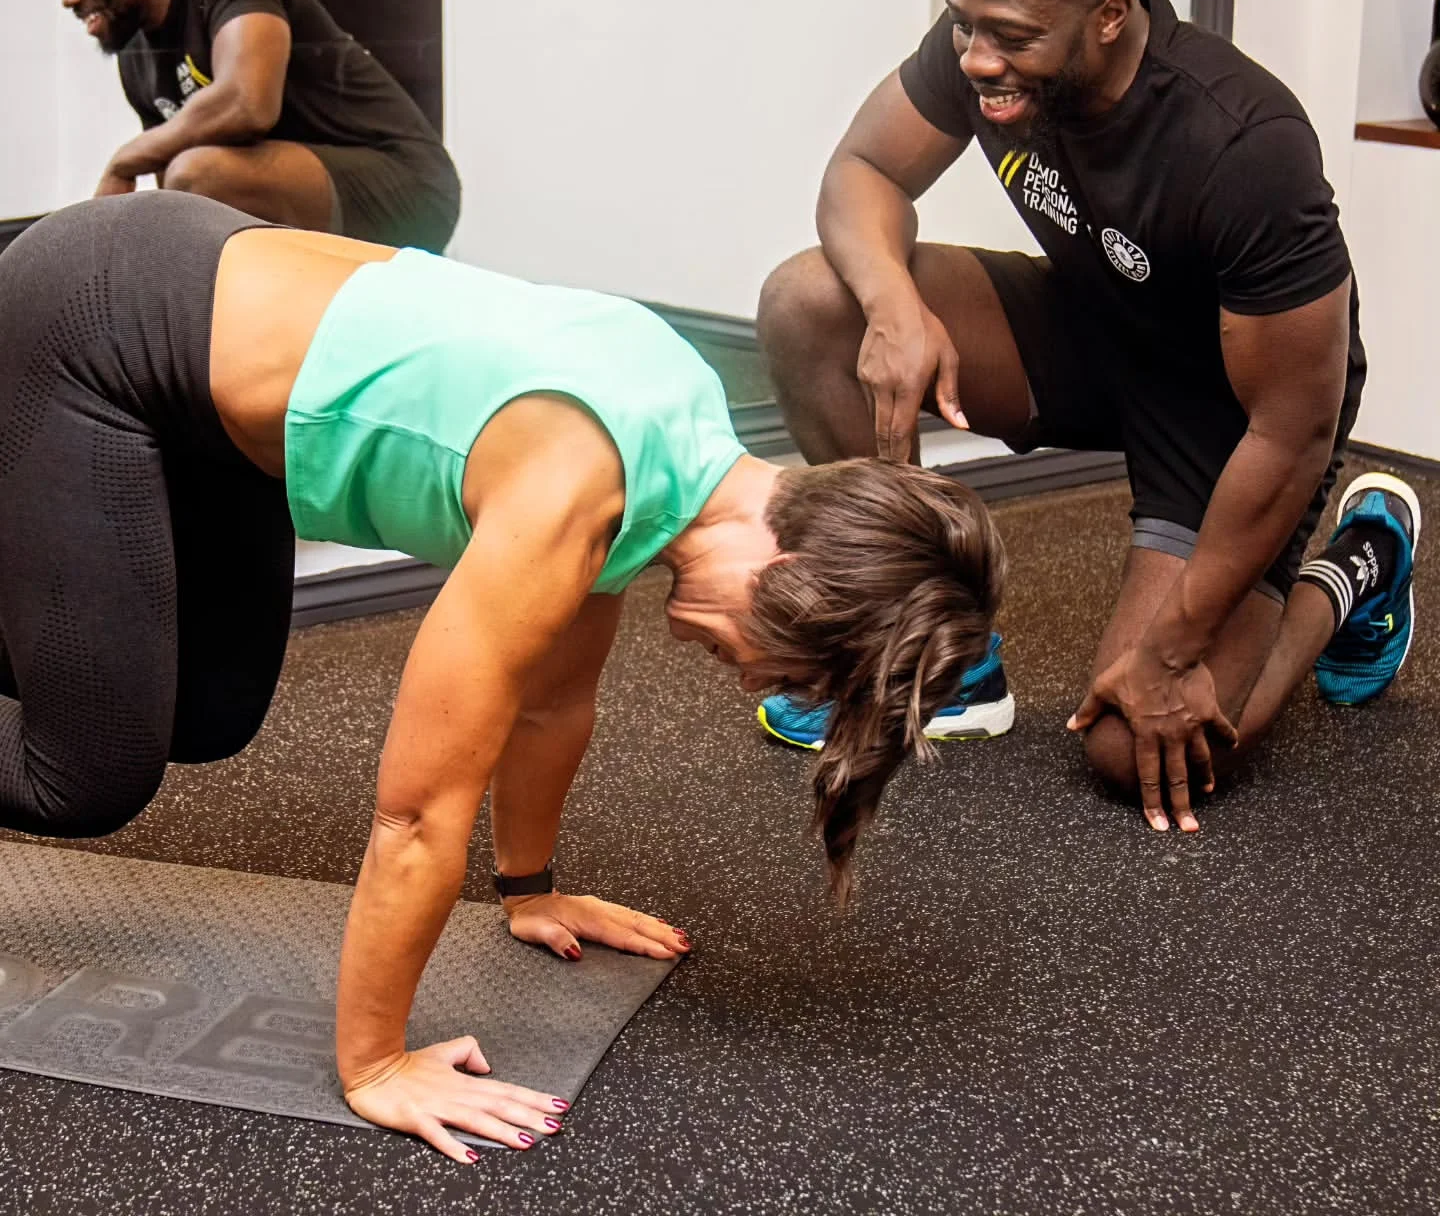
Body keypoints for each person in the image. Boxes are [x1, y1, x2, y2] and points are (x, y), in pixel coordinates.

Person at [0, 189, 1003, 1158]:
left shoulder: (680, 448)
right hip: (94, 327)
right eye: (788, 658)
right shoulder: (574, 484)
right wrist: (376, 1062)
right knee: (84, 773)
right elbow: (418, 813)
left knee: (208, 711)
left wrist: (529, 890)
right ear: (788, 570)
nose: (753, 679)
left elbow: (552, 701)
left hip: (194, 359)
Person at [756, 0, 1420, 834]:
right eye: (966, 23)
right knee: (813, 300)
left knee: (1137, 747)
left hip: (1233, 414)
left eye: (1012, 35)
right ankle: (945, 649)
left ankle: (1356, 564)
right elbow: (863, 168)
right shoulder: (983, 45)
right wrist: (894, 302)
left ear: (1111, 14)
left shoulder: (1242, 143)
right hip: (1093, 326)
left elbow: (1291, 428)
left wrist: (1173, 649)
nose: (978, 56)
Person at [41, 0, 460, 251]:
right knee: (182, 188)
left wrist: (124, 160)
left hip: (410, 185)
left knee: (196, 174)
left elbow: (247, 102)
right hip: (308, 193)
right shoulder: (136, 59)